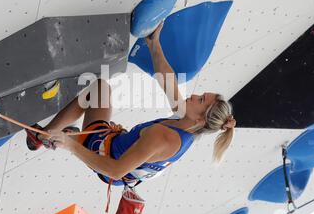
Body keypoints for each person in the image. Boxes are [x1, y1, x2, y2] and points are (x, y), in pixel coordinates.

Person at [26, 22, 236, 187]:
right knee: (101, 90)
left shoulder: (163, 137)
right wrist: (154, 45)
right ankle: (76, 136)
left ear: (200, 118)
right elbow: (168, 80)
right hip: (117, 150)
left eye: (200, 100)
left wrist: (69, 146)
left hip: (105, 158)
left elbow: (115, 170)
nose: (194, 95)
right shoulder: (191, 124)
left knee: (98, 90)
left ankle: (46, 136)